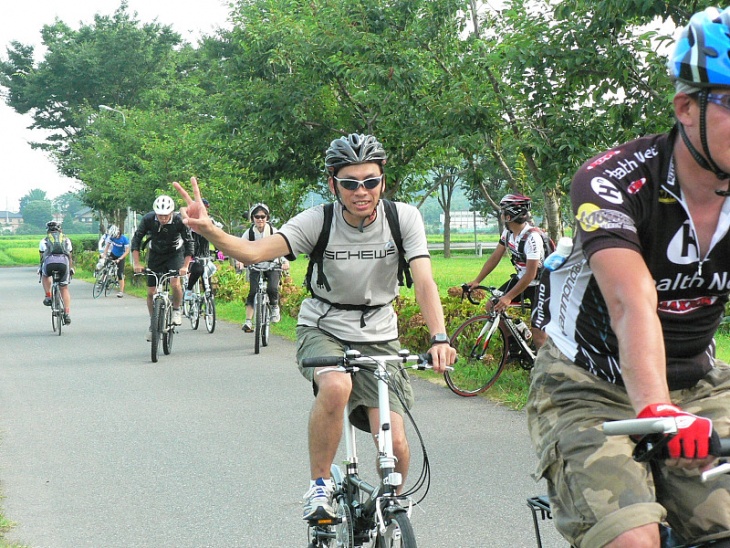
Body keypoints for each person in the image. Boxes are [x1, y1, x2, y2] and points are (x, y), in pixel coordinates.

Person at [173, 133, 456, 522]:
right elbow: (256, 251)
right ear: (333, 184)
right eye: (350, 183)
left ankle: (388, 510)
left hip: (379, 331)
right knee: (337, 385)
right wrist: (209, 231)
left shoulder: (402, 217)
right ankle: (319, 486)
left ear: (383, 181)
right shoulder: (318, 220)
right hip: (324, 325)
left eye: (370, 181)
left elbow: (424, 280)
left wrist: (439, 337)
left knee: (397, 444)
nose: (362, 191)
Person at [528, 8, 730, 547]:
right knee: (631, 539)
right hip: (590, 386)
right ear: (687, 106)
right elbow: (629, 302)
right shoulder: (614, 180)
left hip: (700, 381)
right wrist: (658, 410)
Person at [466, 193, 547, 346]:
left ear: (509, 216)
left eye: (503, 212)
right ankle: (516, 344)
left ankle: (545, 367)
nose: (501, 215)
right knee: (493, 306)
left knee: (539, 333)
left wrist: (508, 297)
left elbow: (531, 274)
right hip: (522, 280)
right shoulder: (508, 233)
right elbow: (495, 258)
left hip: (541, 285)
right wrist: (477, 280)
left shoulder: (532, 238)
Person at [131, 195, 194, 340]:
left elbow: (189, 242)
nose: (163, 219)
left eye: (166, 216)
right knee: (151, 292)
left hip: (175, 253)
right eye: (160, 215)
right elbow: (137, 240)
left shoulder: (179, 220)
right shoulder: (148, 219)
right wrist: (137, 263)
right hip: (155, 254)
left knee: (174, 283)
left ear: (171, 213)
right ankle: (153, 324)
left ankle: (177, 310)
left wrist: (185, 266)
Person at [237, 202, 289, 332]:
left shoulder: (273, 231)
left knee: (272, 288)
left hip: (272, 265)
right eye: (257, 216)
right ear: (252, 218)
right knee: (253, 292)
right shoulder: (249, 233)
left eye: (263, 216)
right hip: (255, 266)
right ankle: (248, 321)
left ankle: (274, 307)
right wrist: (241, 261)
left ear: (267, 218)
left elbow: (282, 247)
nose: (260, 219)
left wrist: (285, 261)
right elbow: (240, 248)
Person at [184, 198, 220, 299]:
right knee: (198, 269)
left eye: (205, 209)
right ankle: (189, 290)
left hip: (204, 256)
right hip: (190, 256)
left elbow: (217, 235)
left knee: (206, 277)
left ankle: (209, 307)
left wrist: (219, 251)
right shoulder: (188, 223)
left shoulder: (210, 222)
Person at [39, 221, 73, 324]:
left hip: (49, 264)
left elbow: (42, 258)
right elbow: (70, 256)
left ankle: (48, 296)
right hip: (63, 264)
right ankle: (67, 314)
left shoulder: (44, 241)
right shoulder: (66, 240)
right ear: (60, 229)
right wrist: (71, 268)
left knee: (45, 275)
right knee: (64, 288)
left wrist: (40, 269)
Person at [99, 225, 130, 297]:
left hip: (121, 256)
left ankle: (121, 292)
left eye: (115, 236)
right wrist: (104, 255)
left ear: (118, 233)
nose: (114, 238)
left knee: (120, 274)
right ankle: (103, 281)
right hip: (113, 254)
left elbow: (127, 251)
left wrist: (120, 259)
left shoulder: (124, 239)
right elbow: (107, 246)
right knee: (105, 266)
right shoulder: (111, 237)